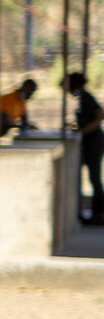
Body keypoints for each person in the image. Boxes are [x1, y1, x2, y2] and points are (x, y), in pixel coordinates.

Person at [66, 73, 103, 224]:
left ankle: (99, 215)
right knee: (89, 177)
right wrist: (75, 127)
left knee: (94, 178)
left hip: (94, 141)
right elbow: (83, 120)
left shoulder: (87, 97)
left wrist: (84, 130)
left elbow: (100, 115)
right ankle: (91, 213)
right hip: (89, 140)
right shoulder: (81, 98)